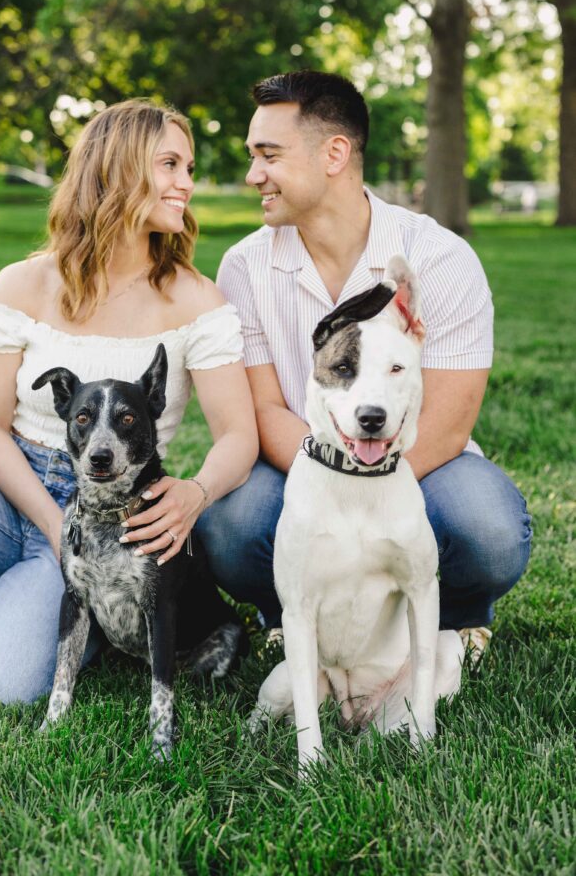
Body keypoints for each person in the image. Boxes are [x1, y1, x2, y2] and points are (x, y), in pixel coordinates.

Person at [0, 99, 258, 702]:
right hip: (11, 496)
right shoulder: (23, 283)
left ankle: (65, 618)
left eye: (188, 167)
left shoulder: (197, 301)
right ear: (117, 169)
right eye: (170, 165)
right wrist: (53, 523)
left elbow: (239, 437)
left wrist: (195, 493)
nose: (187, 183)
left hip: (114, 523)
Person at [195, 70, 532, 661]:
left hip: (418, 461)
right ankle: (290, 612)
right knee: (231, 526)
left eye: (268, 155)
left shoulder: (441, 259)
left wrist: (372, 488)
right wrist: (329, 487)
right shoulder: (244, 268)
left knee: (491, 530)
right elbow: (266, 407)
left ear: (335, 153)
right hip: (301, 460)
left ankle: (452, 617)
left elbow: (449, 423)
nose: (254, 175)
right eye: (253, 157)